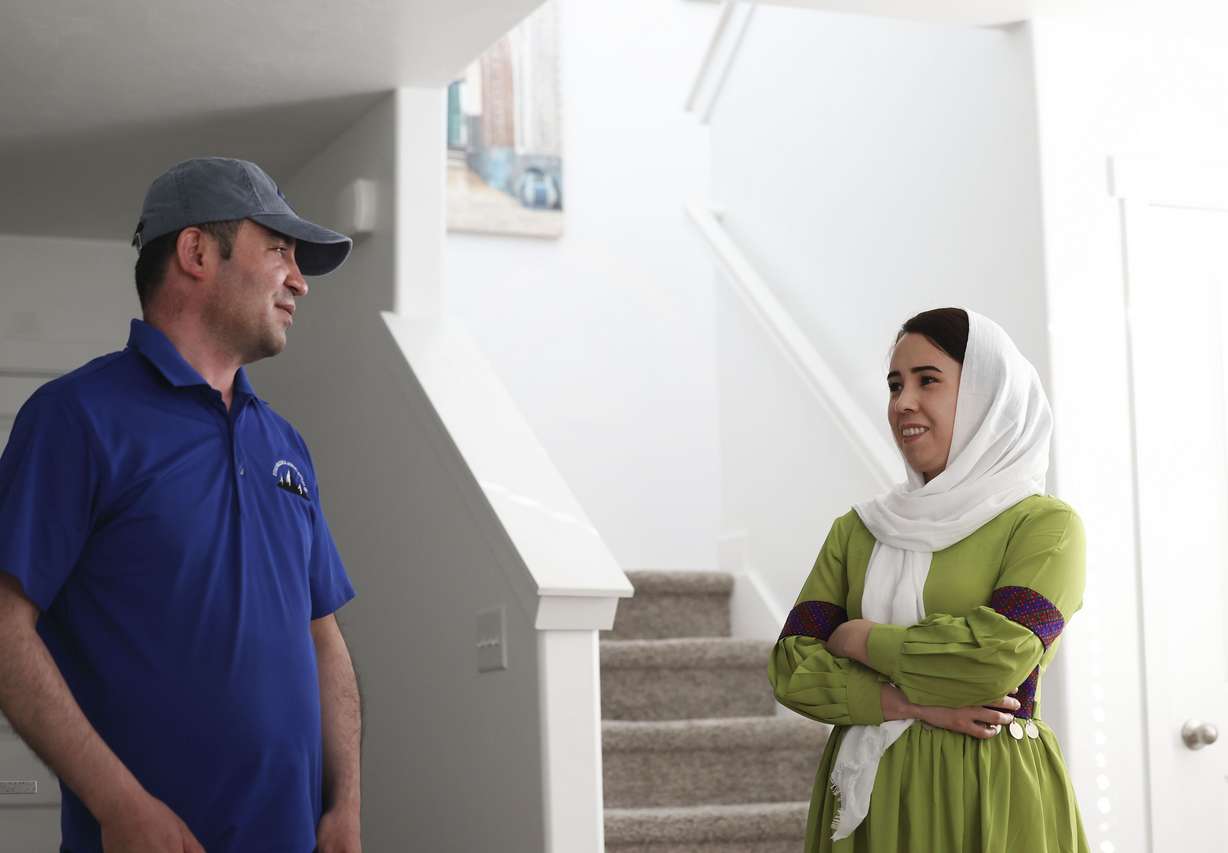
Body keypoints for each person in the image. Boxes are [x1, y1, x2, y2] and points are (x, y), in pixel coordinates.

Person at [0, 157, 363, 853]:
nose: (300, 281)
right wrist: (120, 805)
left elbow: (324, 638)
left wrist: (345, 806)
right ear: (197, 252)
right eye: (280, 251)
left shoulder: (286, 445)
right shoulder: (76, 418)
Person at [768, 307, 1088, 852]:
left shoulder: (1045, 526)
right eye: (895, 385)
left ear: (989, 396)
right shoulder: (859, 531)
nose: (902, 403)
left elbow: (994, 660)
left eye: (927, 381)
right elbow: (792, 667)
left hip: (990, 789)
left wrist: (857, 638)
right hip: (868, 788)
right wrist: (913, 704)